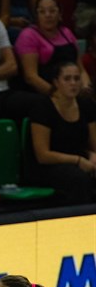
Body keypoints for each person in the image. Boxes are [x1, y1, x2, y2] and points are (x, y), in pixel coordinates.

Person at [29, 62, 96, 204]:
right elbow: (43, 155)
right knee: (78, 178)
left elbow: (93, 144)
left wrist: (92, 155)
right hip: (50, 166)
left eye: (77, 79)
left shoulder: (86, 105)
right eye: (67, 79)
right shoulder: (42, 107)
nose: (73, 83)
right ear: (56, 82)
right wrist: (77, 160)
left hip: (81, 159)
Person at [15, 0, 91, 96]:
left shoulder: (67, 33)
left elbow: (81, 70)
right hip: (45, 93)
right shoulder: (28, 35)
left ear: (60, 14)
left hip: (71, 90)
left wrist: (86, 87)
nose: (48, 15)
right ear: (36, 16)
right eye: (42, 12)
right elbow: (31, 77)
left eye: (52, 11)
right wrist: (58, 95)